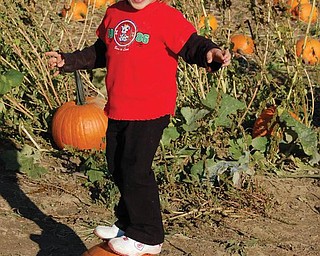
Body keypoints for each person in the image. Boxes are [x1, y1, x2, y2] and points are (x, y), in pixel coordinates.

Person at [46, 0, 231, 255]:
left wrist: (210, 53)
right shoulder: (114, 13)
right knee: (116, 165)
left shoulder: (165, 16)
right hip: (120, 108)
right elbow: (101, 51)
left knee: (135, 169)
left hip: (151, 110)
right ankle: (127, 224)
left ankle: (149, 234)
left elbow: (192, 45)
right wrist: (68, 61)